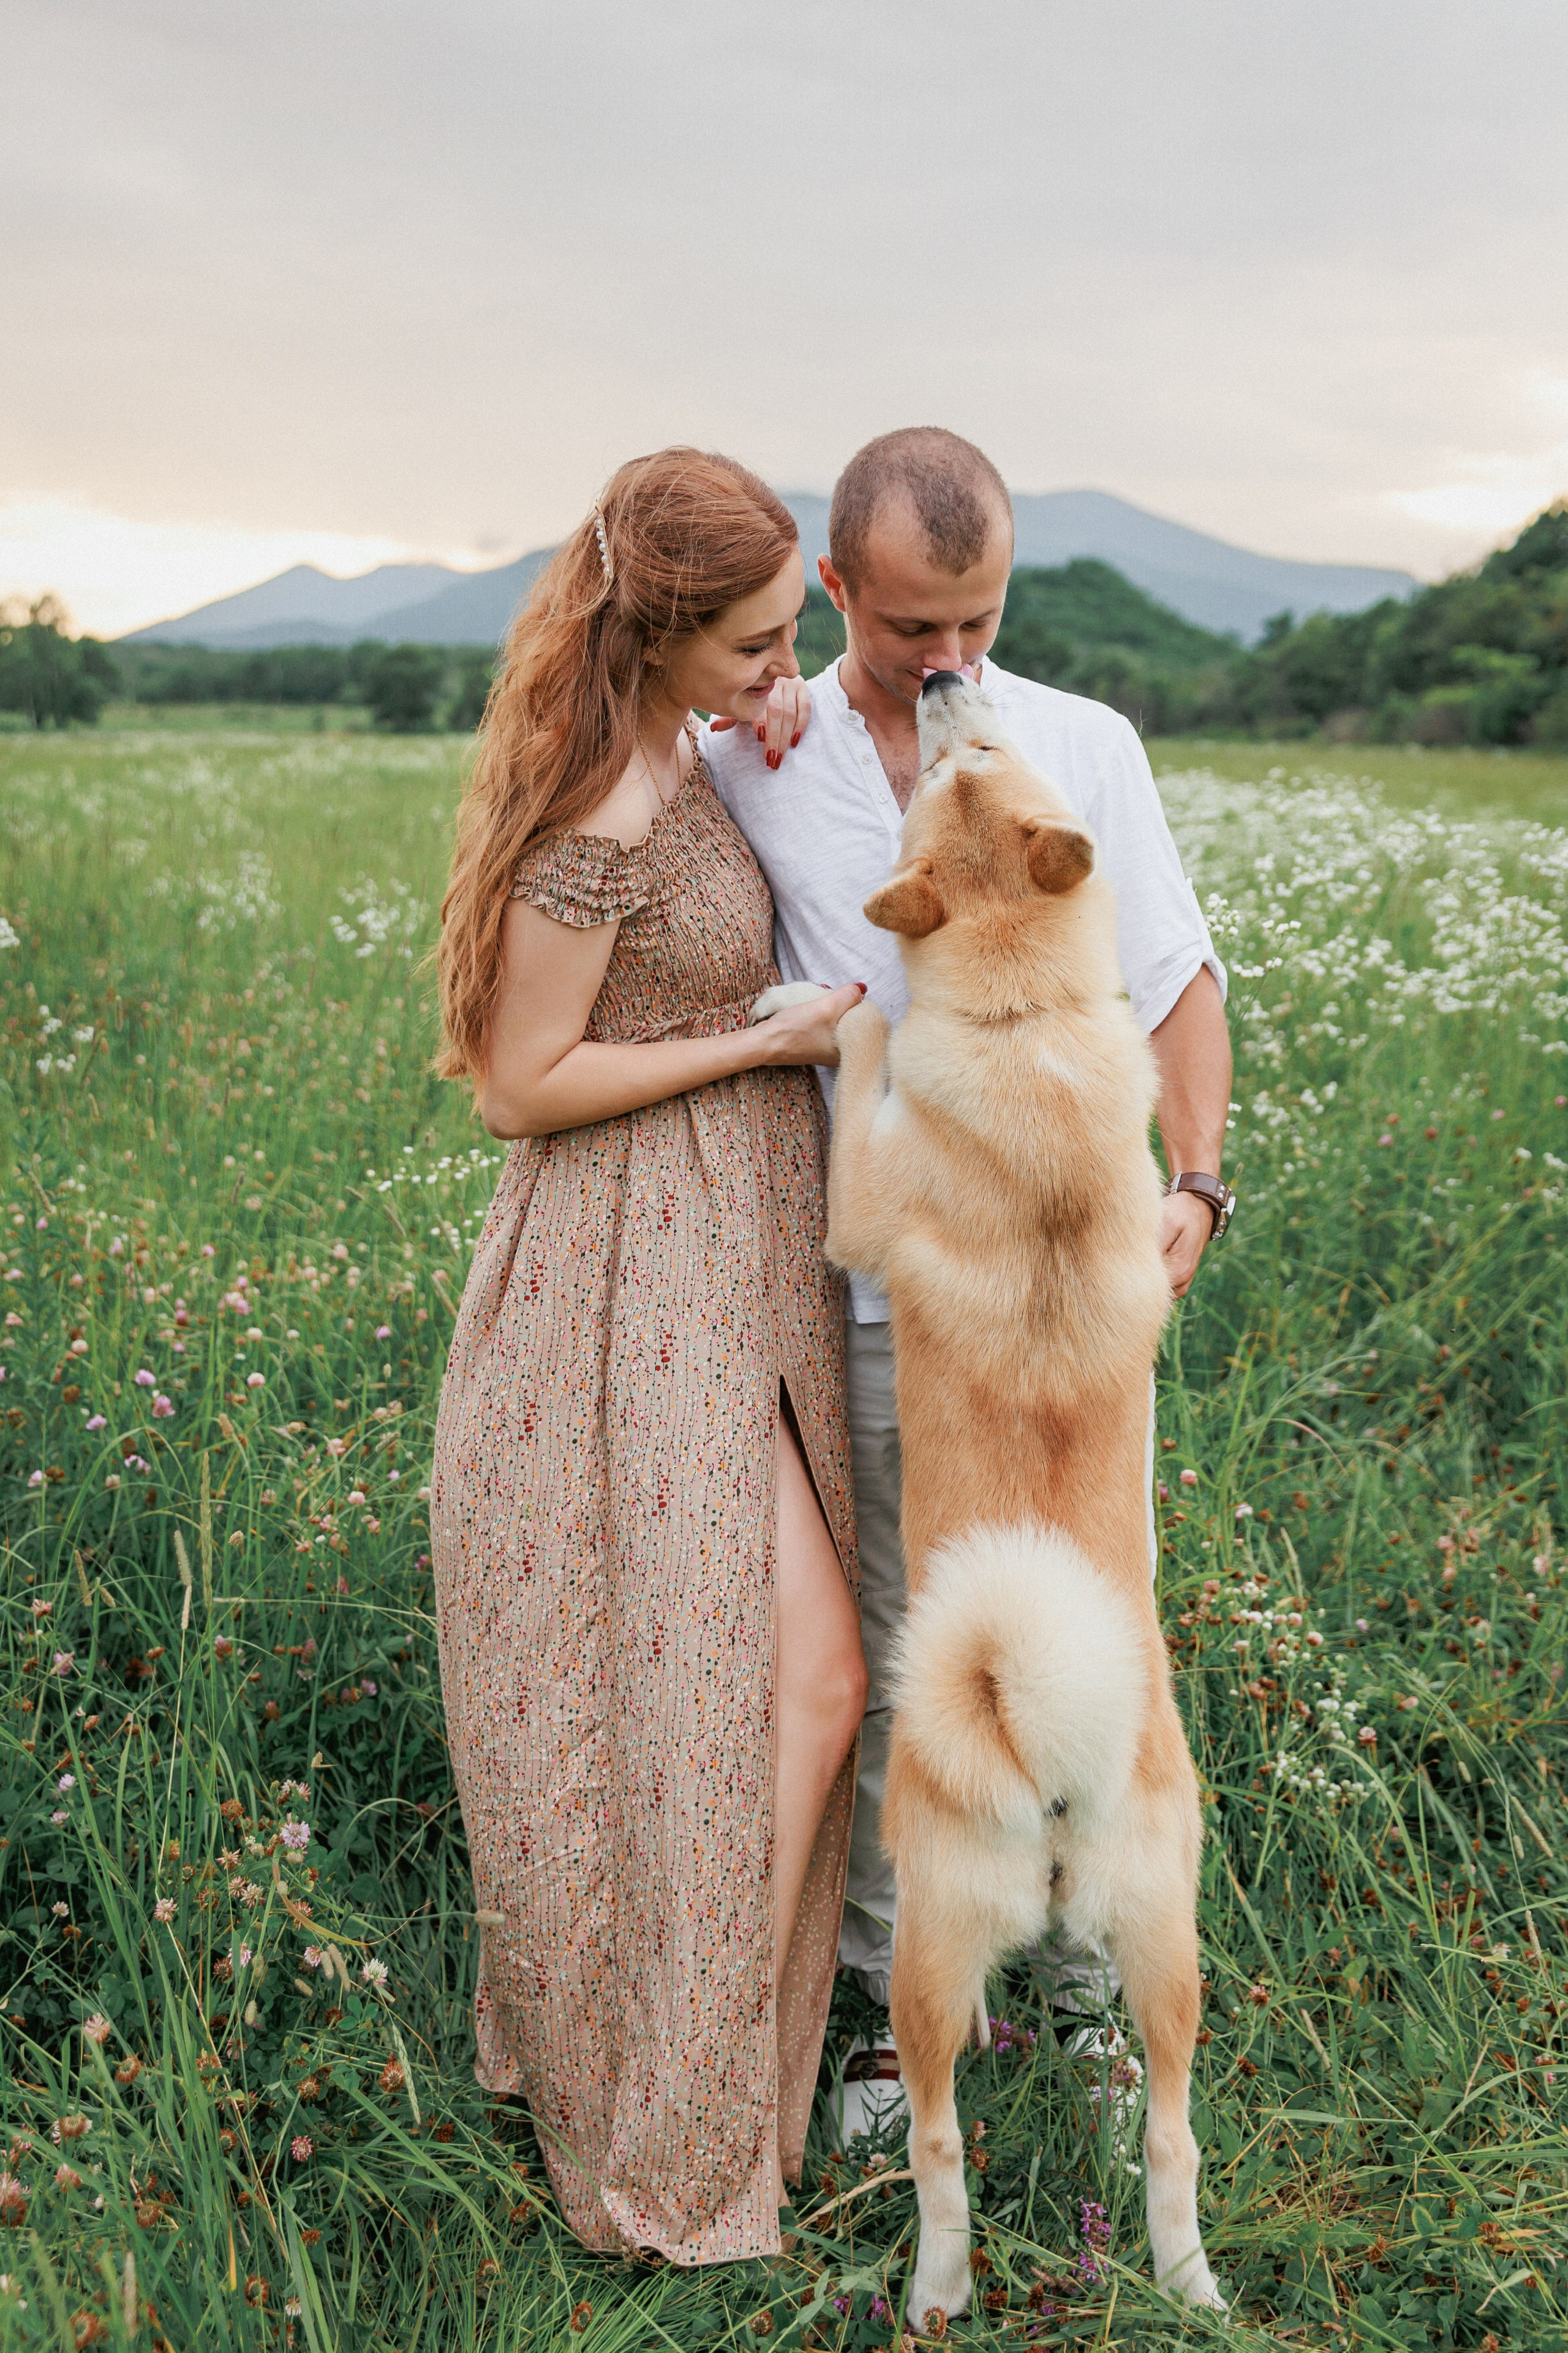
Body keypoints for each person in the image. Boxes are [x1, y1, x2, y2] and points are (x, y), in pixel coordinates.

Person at [702, 426, 1234, 2134]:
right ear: (835, 582)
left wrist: (1203, 1184)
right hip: (886, 1288)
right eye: (911, 625)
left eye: (979, 620)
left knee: (1101, 1626)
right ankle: (886, 2008)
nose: (949, 662)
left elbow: (1174, 971)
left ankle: (1085, 1992)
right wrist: (735, 707)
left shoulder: (1082, 744)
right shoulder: (752, 759)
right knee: (898, 1644)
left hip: (1079, 1297)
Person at [428, 447, 869, 2264]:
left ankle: (708, 2101)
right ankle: (667, 2127)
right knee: (744, 1690)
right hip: (629, 1263)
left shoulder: (678, 745)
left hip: (728, 1246)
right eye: (760, 650)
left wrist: (748, 743)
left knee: (771, 1690)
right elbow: (522, 1087)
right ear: (667, 630)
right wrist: (765, 1048)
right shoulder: (604, 794)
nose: (789, 678)